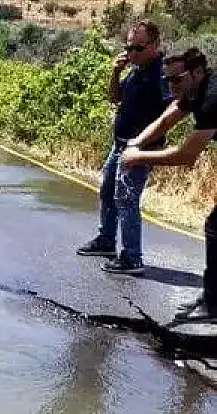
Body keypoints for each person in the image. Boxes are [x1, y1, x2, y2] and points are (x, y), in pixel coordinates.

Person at [121, 48, 217, 320]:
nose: (170, 86)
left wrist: (138, 157)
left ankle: (213, 304)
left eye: (176, 80)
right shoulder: (191, 92)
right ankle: (212, 298)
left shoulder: (211, 99)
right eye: (167, 81)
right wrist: (135, 142)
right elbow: (167, 119)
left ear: (197, 73)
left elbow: (185, 156)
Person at [76, 20, 173, 276]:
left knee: (127, 200)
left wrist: (142, 144)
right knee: (107, 191)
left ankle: (132, 257)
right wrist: (115, 73)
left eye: (137, 48)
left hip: (139, 150)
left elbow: (172, 113)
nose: (131, 54)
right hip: (119, 145)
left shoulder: (161, 74)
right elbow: (114, 98)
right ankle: (107, 240)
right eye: (128, 48)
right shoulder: (136, 69)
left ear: (154, 45)